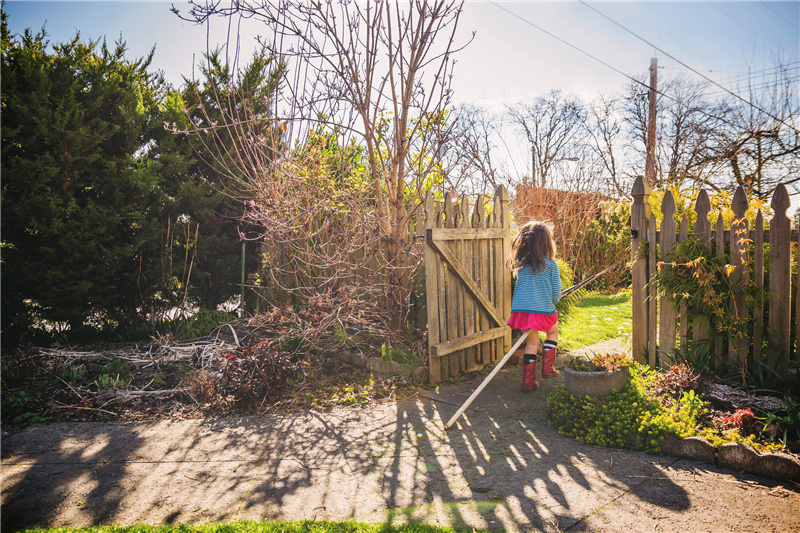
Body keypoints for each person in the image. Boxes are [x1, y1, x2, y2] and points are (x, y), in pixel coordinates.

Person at [507, 221, 562, 391]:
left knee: (532, 343)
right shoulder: (551, 266)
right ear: (546, 243)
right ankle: (548, 367)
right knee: (553, 331)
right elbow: (556, 292)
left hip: (522, 311)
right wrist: (552, 303)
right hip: (543, 310)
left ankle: (528, 381)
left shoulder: (521, 266)